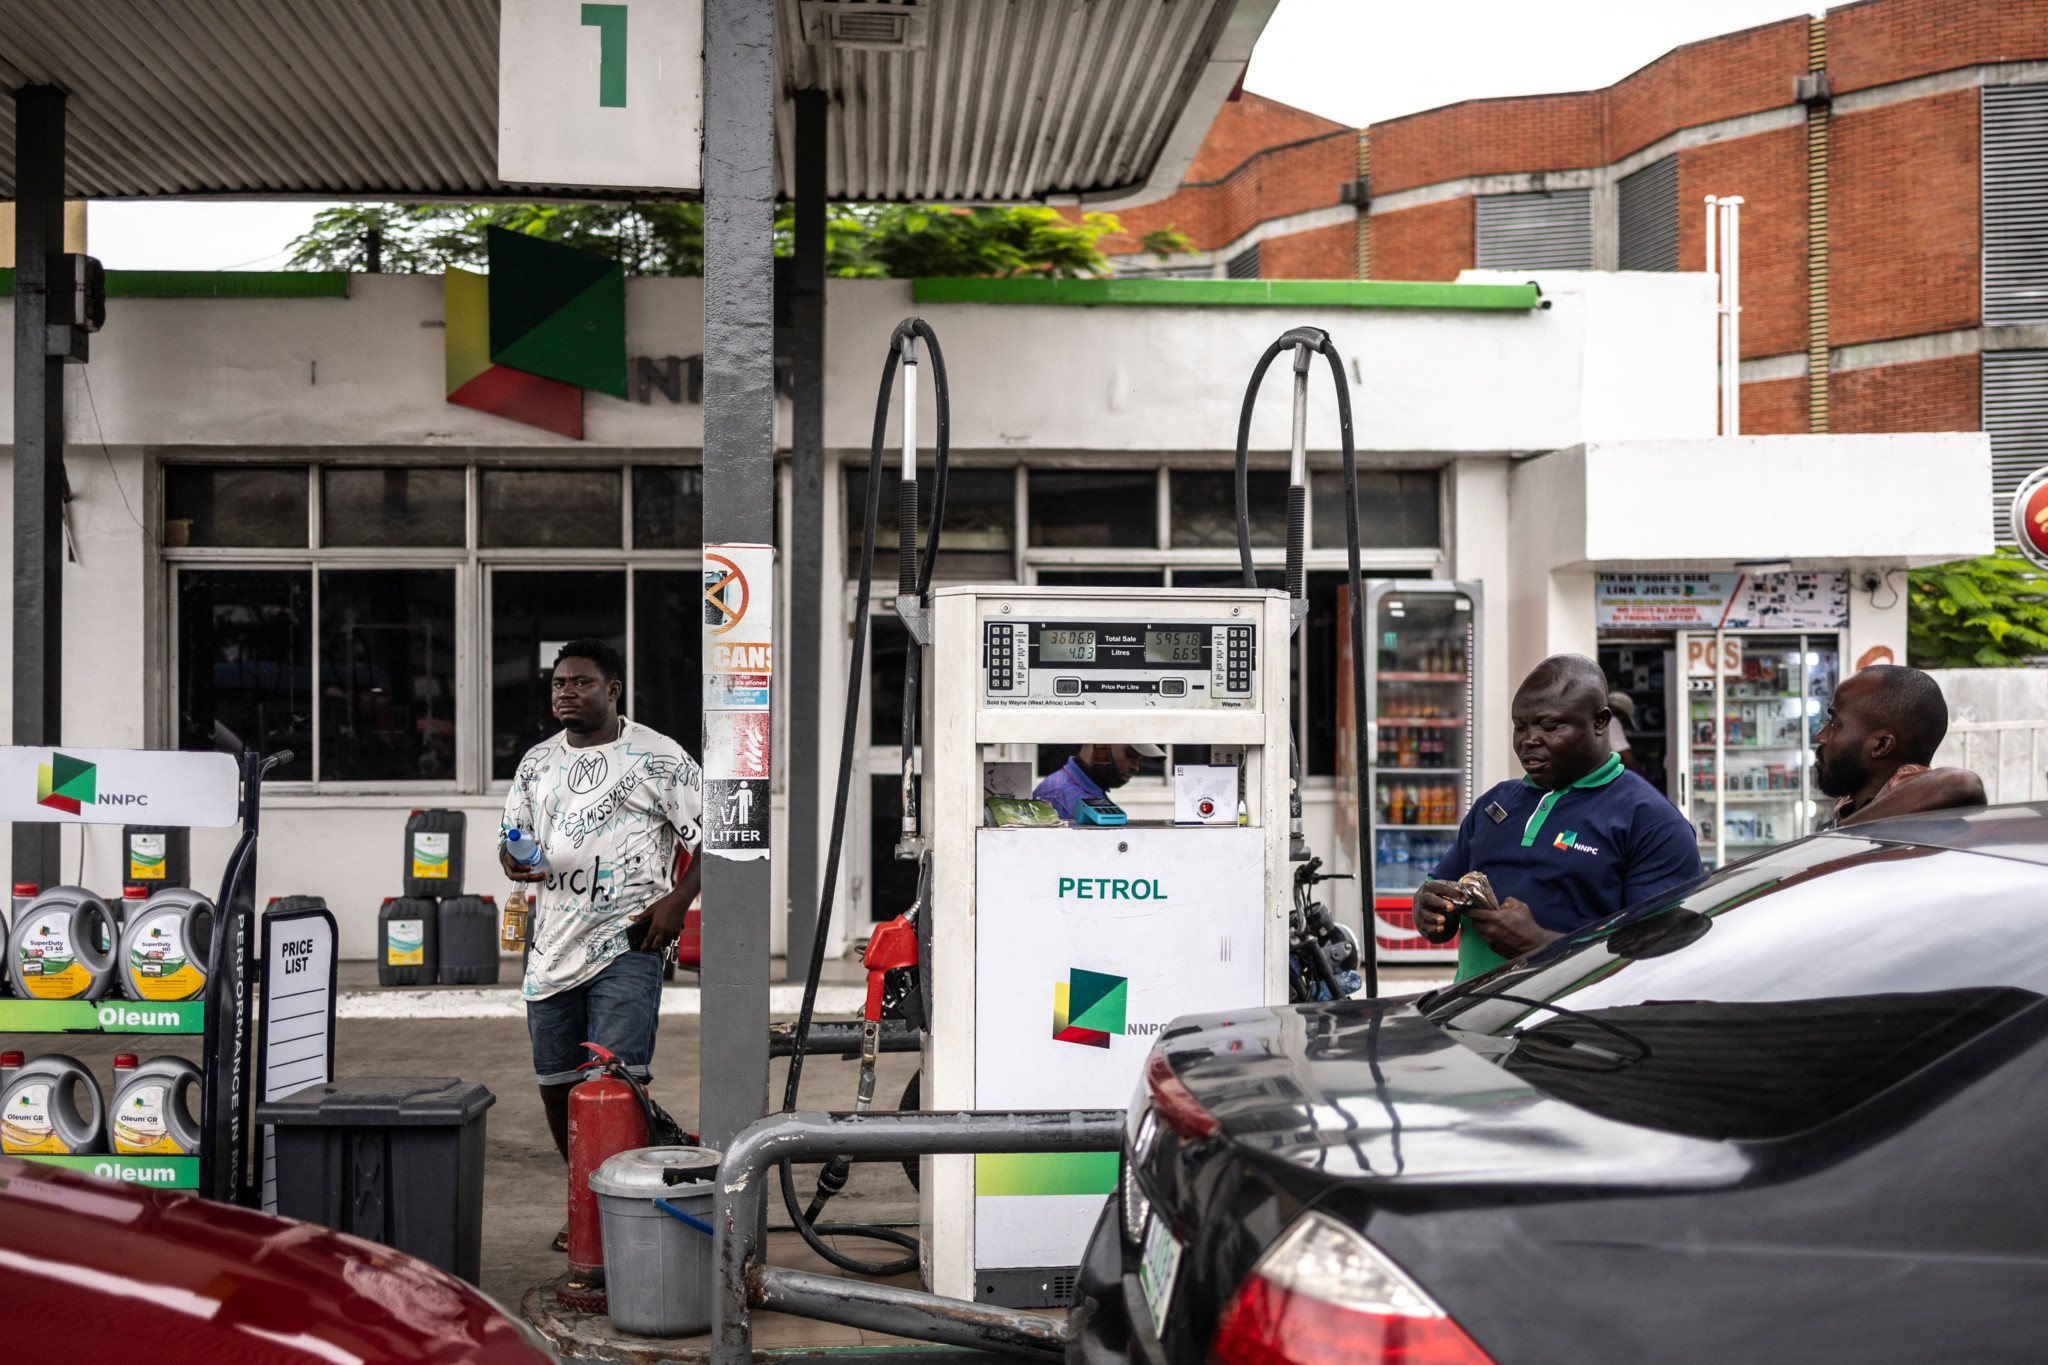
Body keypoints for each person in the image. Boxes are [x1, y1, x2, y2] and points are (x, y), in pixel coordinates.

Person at [500, 639, 702, 1248]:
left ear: (613, 690)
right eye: (559, 683)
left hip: (628, 945)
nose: (565, 692)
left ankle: (623, 1225)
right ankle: (589, 1208)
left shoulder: (658, 757)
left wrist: (676, 902)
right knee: (560, 1090)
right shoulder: (537, 763)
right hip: (552, 952)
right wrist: (513, 859)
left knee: (613, 1087)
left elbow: (719, 836)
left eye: (581, 683)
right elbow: (513, 837)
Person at [1415, 654, 1701, 981]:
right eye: (1519, 726)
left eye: (1549, 726)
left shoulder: (1652, 822)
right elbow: (1439, 899)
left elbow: (1661, 954)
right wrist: (1429, 910)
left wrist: (1544, 946)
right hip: (1471, 1014)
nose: (1529, 739)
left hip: (1574, 1024)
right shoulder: (1494, 803)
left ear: (1600, 722)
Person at [1814, 664, 1983, 828]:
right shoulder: (1850, 804)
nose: (1820, 736)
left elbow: (1962, 784)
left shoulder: (1916, 824)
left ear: (1881, 745)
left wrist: (1846, 832)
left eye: (1835, 724)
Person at [1031, 743, 1164, 820]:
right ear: (1100, 745)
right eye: (1131, 755)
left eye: (1139, 759)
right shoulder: (1056, 793)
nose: (1136, 767)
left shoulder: (1093, 789)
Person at [1606, 690, 1639, 773]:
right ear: (1621, 714)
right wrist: (1645, 780)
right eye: (1625, 722)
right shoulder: (1612, 720)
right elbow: (1626, 756)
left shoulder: (1595, 719)